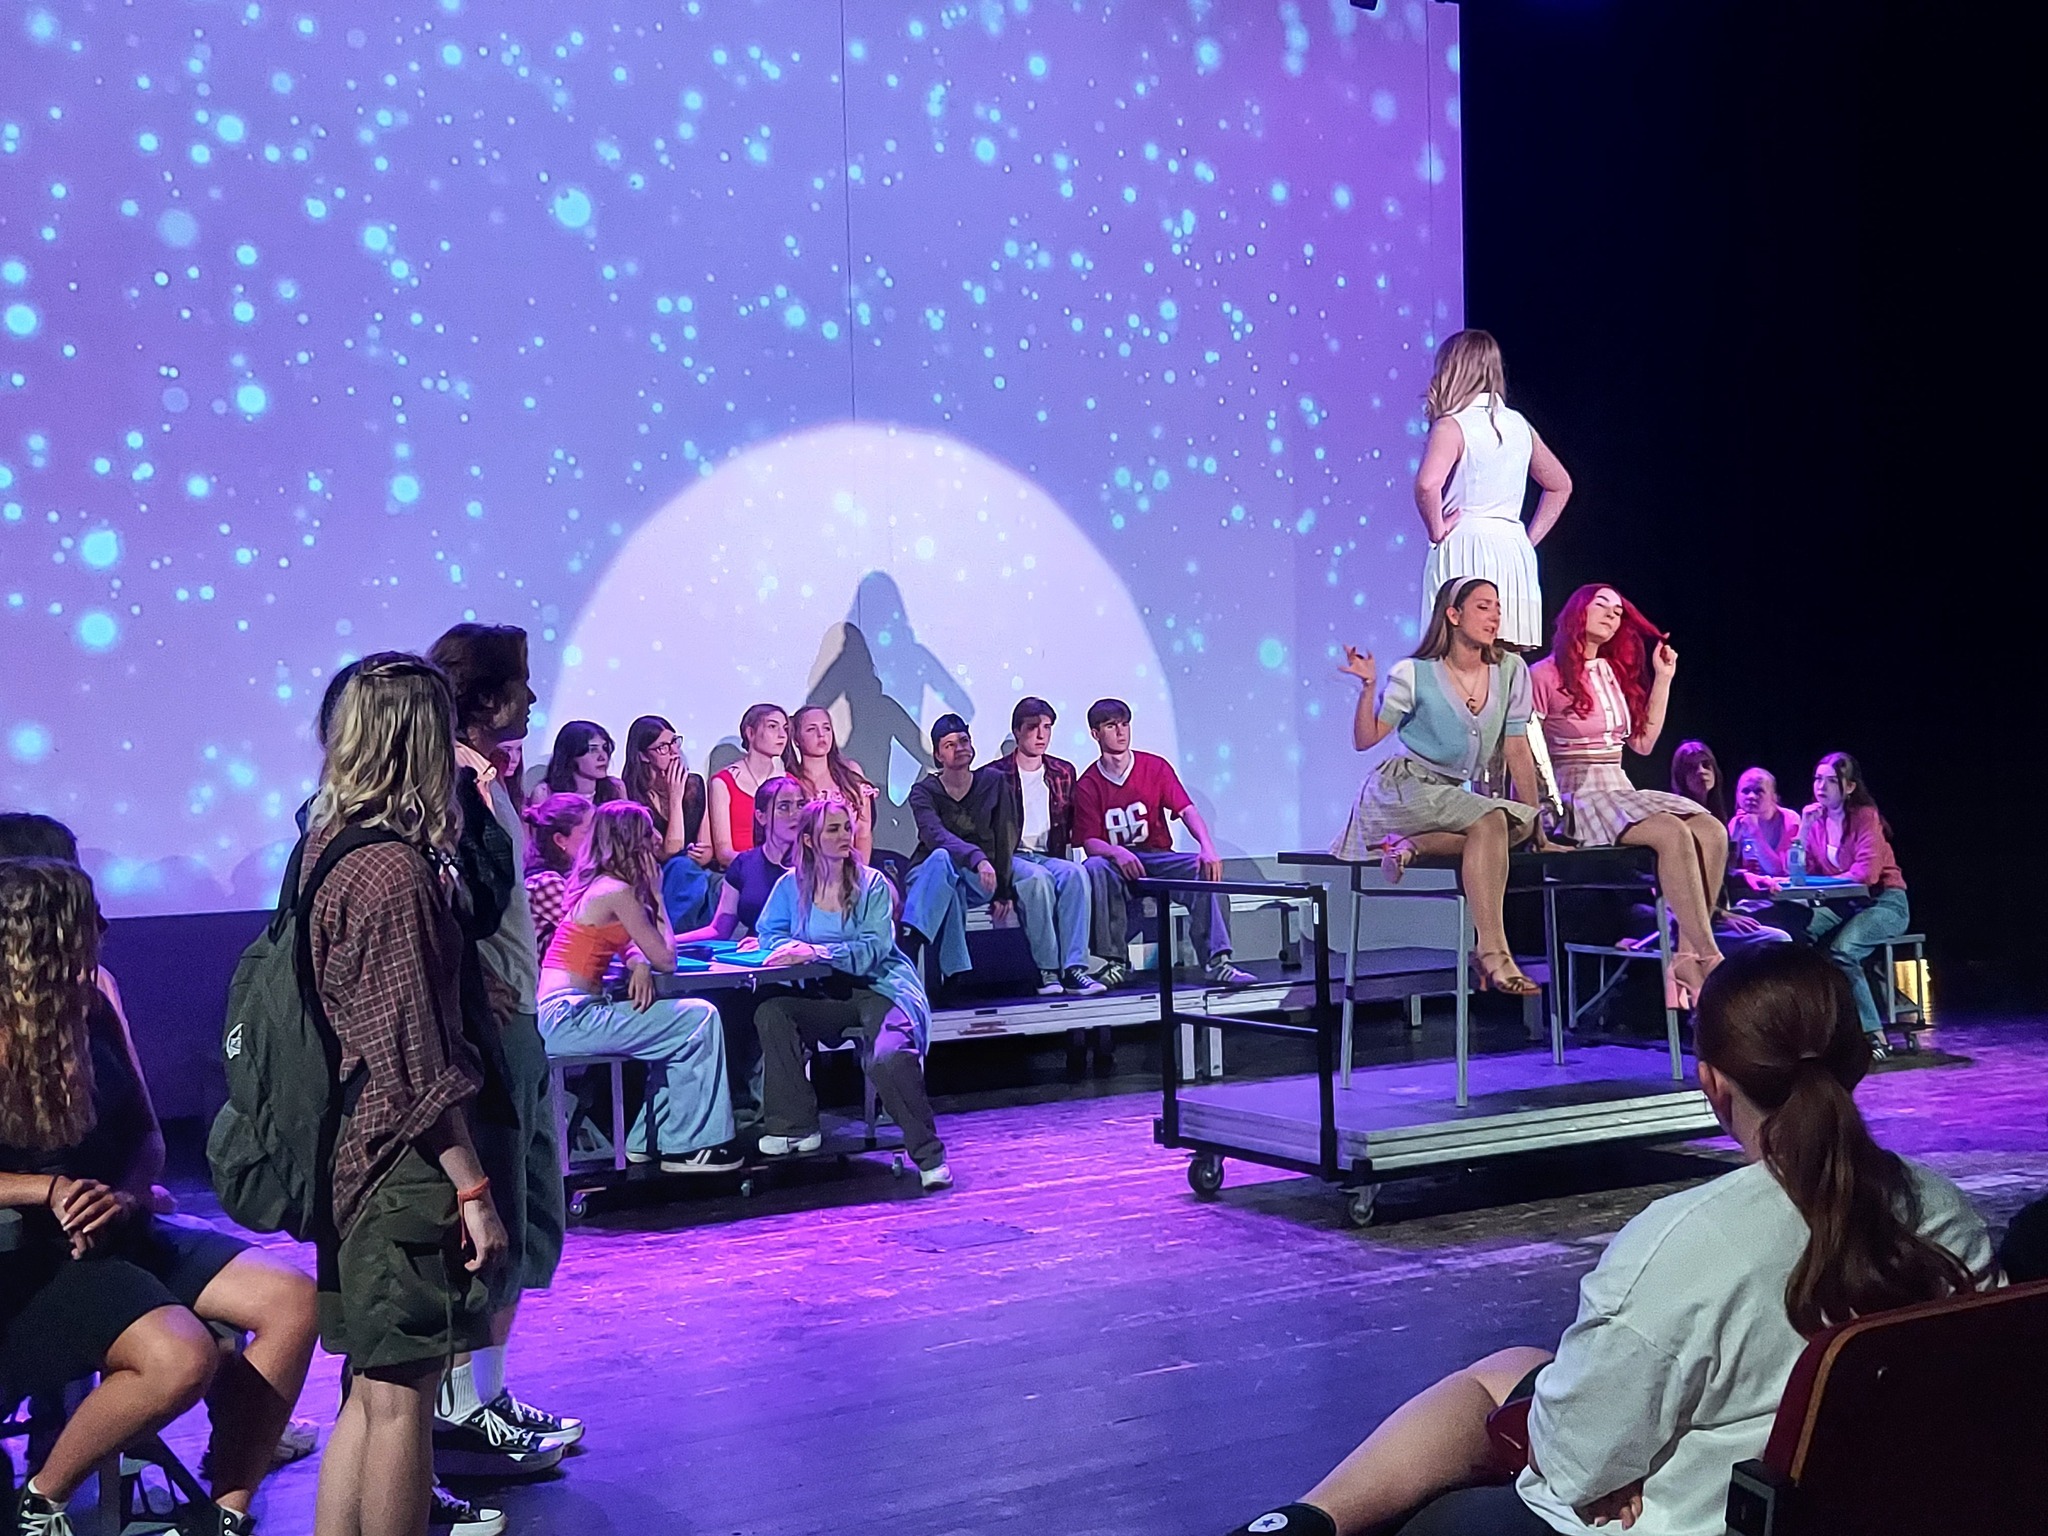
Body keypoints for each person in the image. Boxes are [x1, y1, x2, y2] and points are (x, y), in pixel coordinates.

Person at [1223, 944, 1990, 1536]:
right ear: (1857, 1062)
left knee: (1461, 1483)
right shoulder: (1948, 1215)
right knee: (1514, 1368)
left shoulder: (1684, 1244)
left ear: (1712, 1083)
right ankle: (1306, 1520)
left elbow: (1570, 1466)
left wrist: (1602, 1463)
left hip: (1689, 1519)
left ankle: (1301, 1524)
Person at [1, 858, 320, 1536]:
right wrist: (50, 1190)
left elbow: (147, 1136)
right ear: (39, 937)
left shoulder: (93, 1004)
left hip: (116, 1224)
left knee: (291, 1299)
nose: (104, 928)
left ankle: (224, 1511)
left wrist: (123, 1194)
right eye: (86, 917)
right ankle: (43, 1501)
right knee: (183, 1356)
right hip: (34, 1255)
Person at [299, 653, 511, 1536]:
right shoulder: (391, 873)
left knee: (372, 1390)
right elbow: (414, 1063)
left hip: (354, 1150)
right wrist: (473, 1189)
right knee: (400, 1403)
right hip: (397, 1163)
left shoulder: (326, 845)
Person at [426, 624, 580, 1475]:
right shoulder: (449, 780)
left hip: (519, 1015)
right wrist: (466, 980)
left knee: (528, 1210)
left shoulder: (485, 777)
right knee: (499, 1216)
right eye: (520, 685)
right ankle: (462, 1405)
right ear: (486, 697)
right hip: (490, 1025)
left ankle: (485, 1389)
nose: (532, 699)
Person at [1333, 579, 1546, 995]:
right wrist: (1368, 688)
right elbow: (1365, 739)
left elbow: (1517, 748)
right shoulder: (1414, 673)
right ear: (1453, 615)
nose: (1495, 616)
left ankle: (1414, 845)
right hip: (1401, 788)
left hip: (1449, 794)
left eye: (1497, 607)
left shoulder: (1510, 670)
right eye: (1483, 606)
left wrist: (1535, 822)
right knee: (1491, 821)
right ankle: (1493, 951)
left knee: (1513, 825)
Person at [1531, 586, 1726, 1006]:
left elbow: (1642, 743)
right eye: (1601, 605)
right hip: (1575, 793)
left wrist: (1664, 678)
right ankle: (1709, 955)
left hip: (1617, 787)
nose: (1611, 614)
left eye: (1618, 611)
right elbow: (1524, 750)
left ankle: (1686, 955)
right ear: (1577, 612)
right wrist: (1534, 816)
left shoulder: (1609, 672)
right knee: (1671, 832)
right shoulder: (1543, 675)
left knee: (1711, 829)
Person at [751, 795, 951, 1190]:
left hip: (881, 988)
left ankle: (929, 1155)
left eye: (847, 827)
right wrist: (784, 948)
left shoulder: (871, 884)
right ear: (809, 839)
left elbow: (873, 949)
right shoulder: (791, 885)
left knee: (888, 1058)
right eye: (834, 829)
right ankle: (795, 1126)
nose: (846, 835)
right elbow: (769, 934)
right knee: (772, 1013)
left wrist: (817, 952)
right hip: (829, 994)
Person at [535, 801, 740, 1173]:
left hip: (571, 1013)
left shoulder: (603, 886)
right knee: (698, 1017)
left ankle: (651, 1139)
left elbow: (632, 945)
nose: (657, 840)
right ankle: (688, 1147)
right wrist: (658, 898)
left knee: (674, 1030)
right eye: (648, 834)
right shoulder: (615, 890)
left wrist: (639, 963)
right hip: (570, 1018)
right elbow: (667, 959)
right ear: (629, 841)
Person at [1071, 699, 1256, 989]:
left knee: (1202, 868)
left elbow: (1186, 810)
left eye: (1125, 724)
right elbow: (1089, 841)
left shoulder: (1154, 767)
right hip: (1117, 868)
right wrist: (1117, 852)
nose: (1120, 732)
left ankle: (1216, 961)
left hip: (1156, 858)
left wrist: (1207, 847)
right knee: (1094, 866)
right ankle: (1116, 962)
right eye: (1111, 726)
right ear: (1096, 734)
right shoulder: (1088, 784)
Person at [1413, 329, 1572, 653]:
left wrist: (1436, 530)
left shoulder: (1452, 425)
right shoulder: (1519, 425)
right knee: (1503, 661)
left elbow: (1428, 484)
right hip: (1512, 552)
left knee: (1455, 657)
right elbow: (1560, 485)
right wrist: (1526, 540)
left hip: (1465, 546)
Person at [678, 774, 805, 1132]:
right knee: (711, 1000)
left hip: (796, 967)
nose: (795, 814)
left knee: (747, 1007)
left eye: (800, 805)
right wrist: (666, 941)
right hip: (751, 965)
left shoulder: (812, 864)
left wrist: (771, 942)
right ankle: (717, 1113)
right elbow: (719, 928)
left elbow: (820, 925)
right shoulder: (745, 864)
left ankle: (753, 1110)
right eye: (784, 807)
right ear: (762, 816)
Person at [992, 697, 1112, 1069]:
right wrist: (1000, 883)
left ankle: (1074, 968)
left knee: (1076, 874)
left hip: (1049, 854)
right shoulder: (995, 775)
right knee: (1037, 881)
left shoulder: (1062, 771)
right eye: (1033, 728)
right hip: (1013, 856)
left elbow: (1072, 824)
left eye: (1047, 728)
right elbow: (989, 832)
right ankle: (1047, 970)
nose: (1041, 735)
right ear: (1017, 732)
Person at [1791, 753, 1913, 1058]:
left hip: (1885, 901)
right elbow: (1796, 874)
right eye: (1818, 779)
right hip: (1844, 903)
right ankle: (1814, 1030)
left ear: (1849, 787)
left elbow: (1866, 874)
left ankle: (1874, 1036)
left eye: (1831, 781)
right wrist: (1803, 830)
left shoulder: (1865, 816)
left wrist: (1824, 883)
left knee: (1843, 951)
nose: (1821, 787)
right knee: (1793, 937)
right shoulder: (1816, 822)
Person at [621, 714, 716, 932]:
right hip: (654, 873)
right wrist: (675, 797)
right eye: (662, 747)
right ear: (643, 756)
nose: (674, 752)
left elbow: (707, 847)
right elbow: (670, 849)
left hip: (692, 870)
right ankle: (669, 937)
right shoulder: (633, 795)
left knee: (697, 874)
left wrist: (703, 854)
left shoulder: (694, 784)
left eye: (674, 742)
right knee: (682, 867)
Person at [783, 703, 879, 863]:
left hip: (848, 866)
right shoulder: (791, 783)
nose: (821, 735)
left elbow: (863, 832)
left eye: (826, 728)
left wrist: (860, 871)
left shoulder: (850, 773)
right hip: (806, 867)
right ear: (797, 739)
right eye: (811, 729)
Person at [707, 703, 789, 869]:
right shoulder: (723, 783)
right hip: (741, 871)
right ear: (750, 733)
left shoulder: (790, 783)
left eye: (785, 728)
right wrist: (762, 866)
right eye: (772, 727)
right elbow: (724, 853)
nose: (782, 735)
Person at [521, 791, 595, 961]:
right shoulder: (546, 883)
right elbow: (592, 932)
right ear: (560, 840)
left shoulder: (573, 875)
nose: (597, 838)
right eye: (588, 832)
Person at [1728, 768, 1802, 888]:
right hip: (1754, 890)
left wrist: (1755, 832)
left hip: (1783, 890)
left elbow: (1779, 870)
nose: (1751, 796)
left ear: (1773, 797)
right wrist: (1734, 837)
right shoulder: (1737, 822)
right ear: (1737, 795)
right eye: (1745, 791)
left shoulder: (1789, 820)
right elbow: (1726, 868)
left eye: (1759, 791)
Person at [540, 720, 624, 804]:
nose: (603, 757)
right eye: (593, 750)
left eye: (605, 748)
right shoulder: (545, 793)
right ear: (571, 755)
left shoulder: (616, 788)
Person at [1668, 741, 1730, 826]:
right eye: (1692, 767)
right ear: (1681, 777)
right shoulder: (1677, 816)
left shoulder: (1717, 811)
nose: (1701, 771)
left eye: (1706, 764)